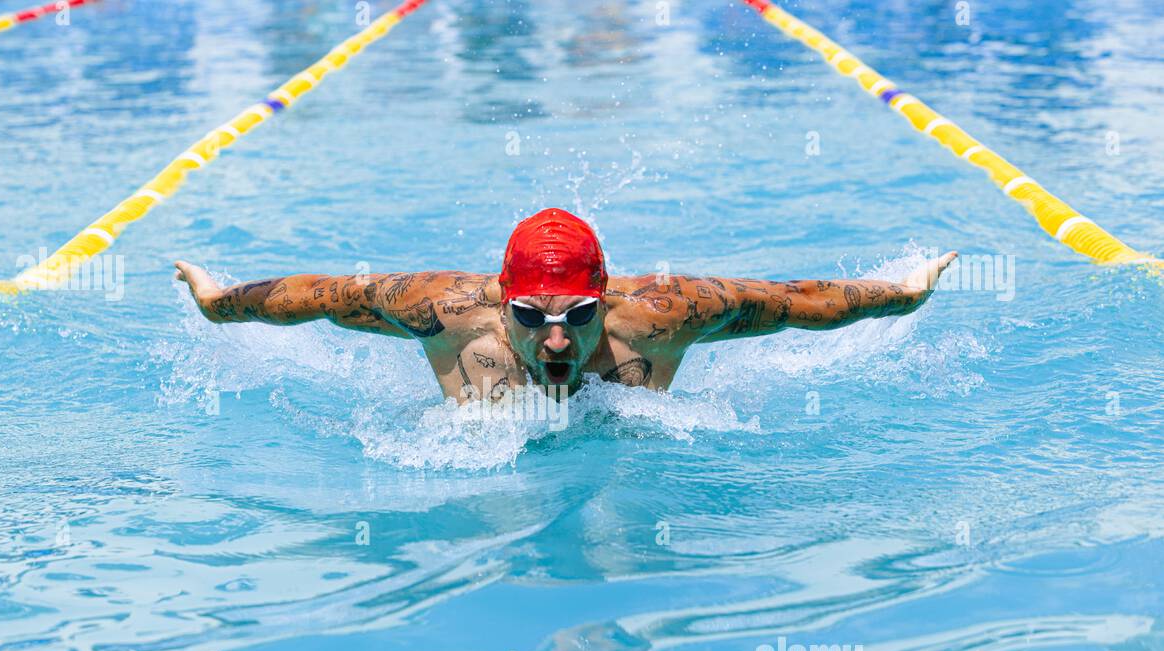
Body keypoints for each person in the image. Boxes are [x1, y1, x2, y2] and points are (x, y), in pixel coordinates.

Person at [174, 207, 957, 401]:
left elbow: (792, 303)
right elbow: (323, 297)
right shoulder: (445, 310)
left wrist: (903, 296)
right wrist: (218, 303)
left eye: (578, 318)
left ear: (605, 298)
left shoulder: (662, 314)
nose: (556, 342)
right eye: (535, 318)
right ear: (502, 298)